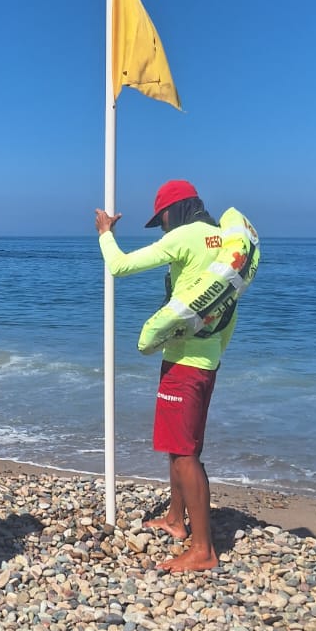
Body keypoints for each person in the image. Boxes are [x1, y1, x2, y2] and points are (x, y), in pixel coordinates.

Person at [95, 180, 239, 572]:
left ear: (174, 212)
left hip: (185, 362)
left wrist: (106, 234)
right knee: (181, 445)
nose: (162, 228)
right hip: (207, 359)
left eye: (162, 220)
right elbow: (227, 310)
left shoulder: (185, 237)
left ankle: (203, 550)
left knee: (185, 454)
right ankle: (177, 519)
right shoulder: (223, 240)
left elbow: (121, 265)